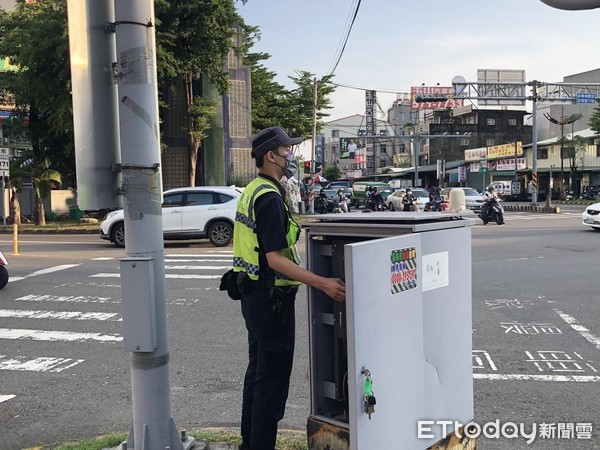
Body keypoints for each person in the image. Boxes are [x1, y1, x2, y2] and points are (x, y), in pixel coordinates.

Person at [233, 126, 346, 450]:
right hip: (271, 301)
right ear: (271, 155)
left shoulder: (254, 189)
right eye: (287, 151)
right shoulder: (268, 197)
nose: (291, 156)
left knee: (258, 375)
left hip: (256, 296)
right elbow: (276, 260)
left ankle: (249, 443)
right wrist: (322, 282)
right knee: (271, 382)